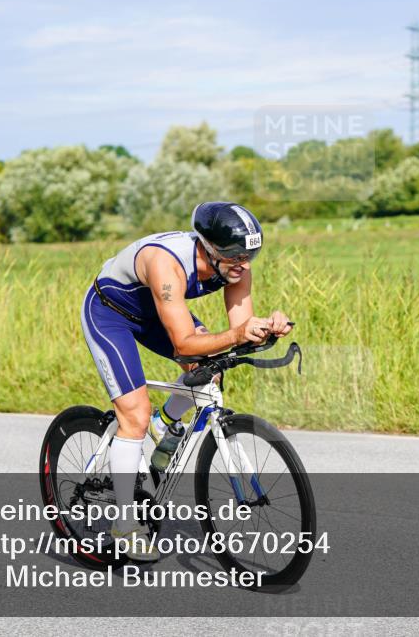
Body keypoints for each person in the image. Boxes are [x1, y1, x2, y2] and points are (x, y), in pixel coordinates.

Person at [81, 202, 292, 561]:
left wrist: (263, 329)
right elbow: (183, 343)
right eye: (235, 255)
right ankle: (124, 523)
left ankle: (164, 426)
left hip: (157, 310)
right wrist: (238, 332)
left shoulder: (238, 268)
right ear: (209, 248)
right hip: (110, 314)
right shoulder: (167, 264)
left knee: (211, 366)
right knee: (134, 414)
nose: (244, 264)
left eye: (251, 255)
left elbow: (238, 326)